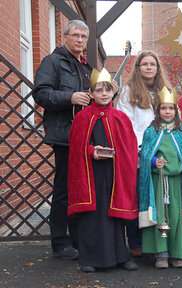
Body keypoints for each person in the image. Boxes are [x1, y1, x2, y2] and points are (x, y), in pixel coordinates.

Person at [67, 68, 138, 273]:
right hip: (91, 173)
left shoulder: (120, 117)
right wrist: (91, 150)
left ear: (112, 93)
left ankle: (121, 256)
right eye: (99, 90)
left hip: (115, 173)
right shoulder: (82, 117)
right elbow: (77, 146)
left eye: (107, 90)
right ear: (91, 93)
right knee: (93, 214)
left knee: (114, 213)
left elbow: (129, 146)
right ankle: (89, 258)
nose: (104, 94)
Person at [33, 20, 92, 260]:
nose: (79, 40)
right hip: (65, 135)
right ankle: (60, 241)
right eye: (76, 35)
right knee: (63, 189)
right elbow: (41, 93)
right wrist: (71, 97)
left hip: (86, 135)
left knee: (81, 188)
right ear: (65, 36)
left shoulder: (86, 67)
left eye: (83, 37)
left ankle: (77, 239)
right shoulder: (52, 61)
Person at [116, 50, 171, 257]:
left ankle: (161, 242)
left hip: (163, 151)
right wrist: (141, 149)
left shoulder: (165, 90)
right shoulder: (129, 91)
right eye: (145, 64)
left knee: (160, 197)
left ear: (157, 68)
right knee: (138, 197)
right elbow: (126, 123)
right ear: (138, 68)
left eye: (152, 64)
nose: (149, 67)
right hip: (138, 152)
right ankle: (137, 242)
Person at [139, 87, 182, 269]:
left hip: (179, 182)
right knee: (161, 215)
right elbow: (144, 155)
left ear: (176, 111)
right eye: (163, 108)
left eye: (171, 108)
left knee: (176, 216)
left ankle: (178, 253)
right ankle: (161, 254)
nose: (167, 112)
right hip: (158, 182)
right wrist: (154, 161)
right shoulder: (151, 132)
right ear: (158, 111)